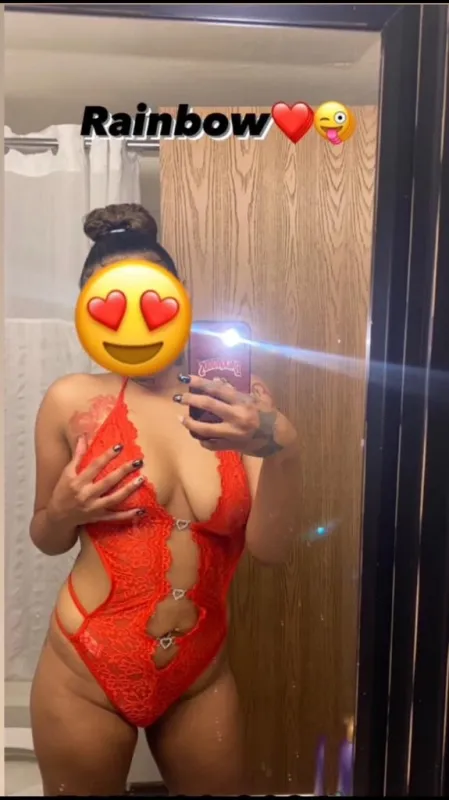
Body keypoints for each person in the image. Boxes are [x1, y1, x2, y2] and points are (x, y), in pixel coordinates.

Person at [29, 203, 300, 797]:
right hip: (83, 670)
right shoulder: (70, 400)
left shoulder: (235, 406)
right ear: (87, 310)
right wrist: (64, 511)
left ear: (180, 300)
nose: (133, 318)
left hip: (200, 678)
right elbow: (46, 537)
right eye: (111, 302)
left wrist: (282, 447)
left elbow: (273, 550)